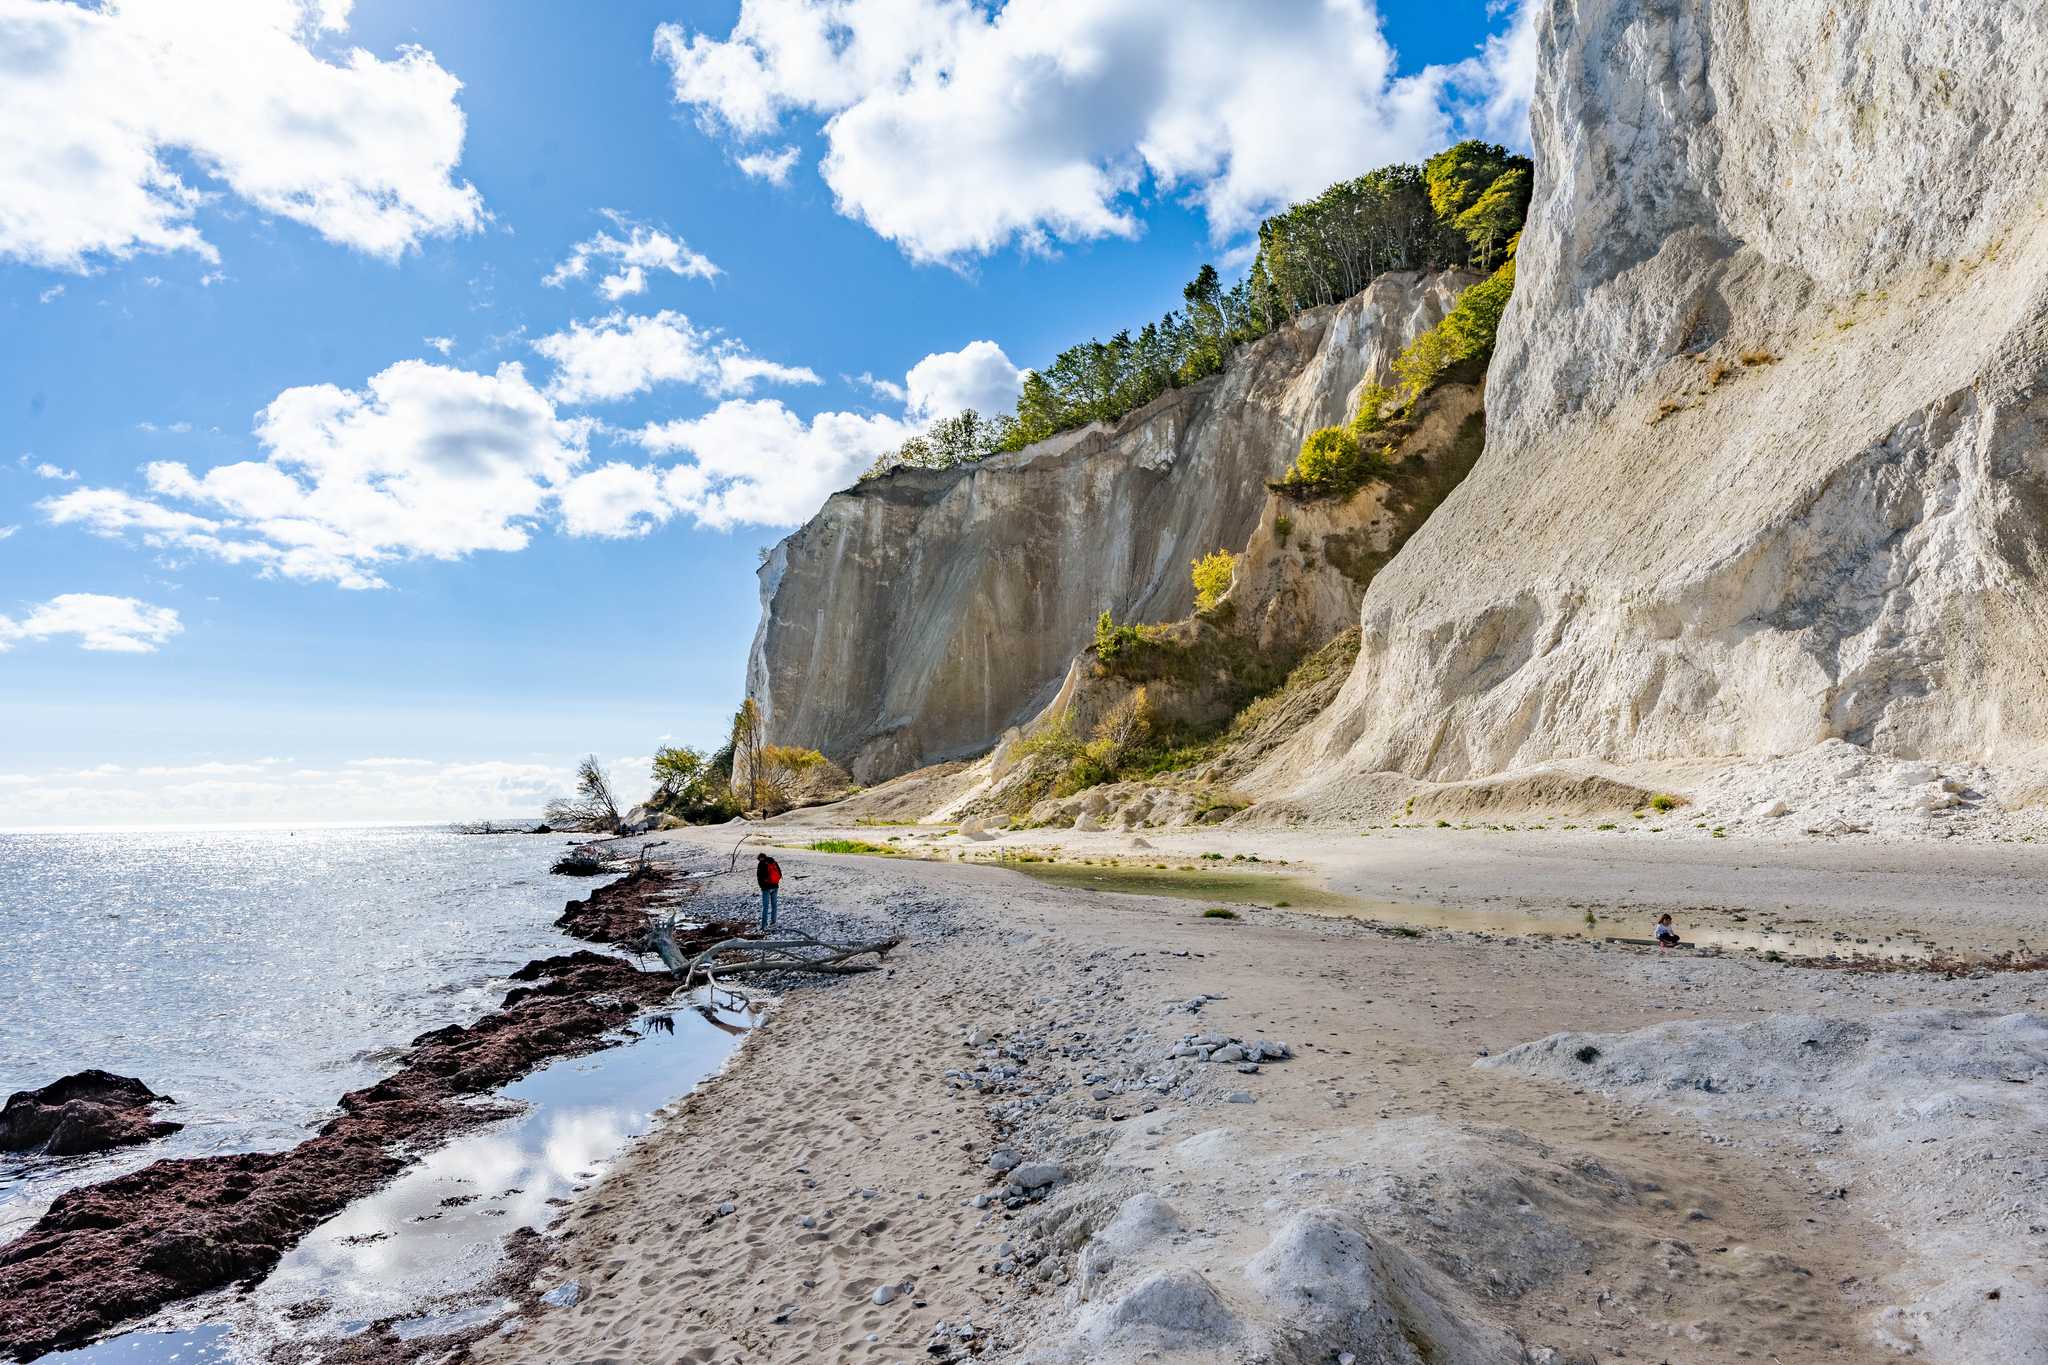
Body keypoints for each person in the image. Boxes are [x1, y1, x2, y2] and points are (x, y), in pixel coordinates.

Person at [756, 852, 783, 932]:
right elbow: (780, 874)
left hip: (766, 888)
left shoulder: (761, 864)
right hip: (775, 886)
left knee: (766, 907)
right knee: (774, 905)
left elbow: (759, 877)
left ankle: (764, 925)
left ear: (760, 858)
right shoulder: (773, 862)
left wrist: (762, 887)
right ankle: (773, 922)